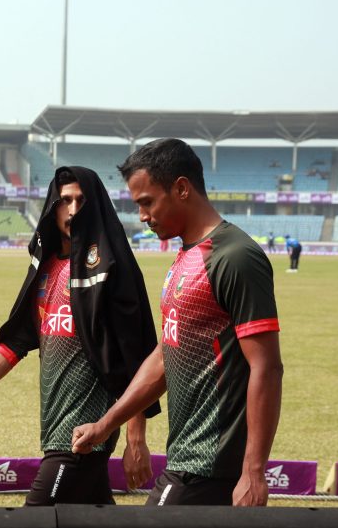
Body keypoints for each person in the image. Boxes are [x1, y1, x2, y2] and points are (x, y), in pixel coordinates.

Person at [0, 166, 160, 506]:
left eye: (82, 200)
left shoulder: (111, 268)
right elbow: (13, 344)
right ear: (53, 207)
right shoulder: (45, 267)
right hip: (56, 430)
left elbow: (135, 354)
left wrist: (135, 437)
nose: (73, 209)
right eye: (65, 200)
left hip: (84, 434)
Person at [71, 138, 283, 507]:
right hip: (186, 459)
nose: (142, 215)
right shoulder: (186, 256)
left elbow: (266, 367)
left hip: (210, 466)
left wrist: (253, 472)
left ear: (181, 188)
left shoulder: (234, 257)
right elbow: (165, 357)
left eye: (147, 202)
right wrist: (107, 424)